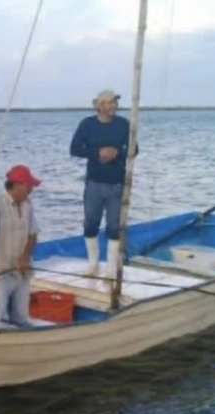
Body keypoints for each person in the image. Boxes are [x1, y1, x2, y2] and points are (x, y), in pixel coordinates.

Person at [69, 89, 138, 280]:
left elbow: (134, 150)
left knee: (114, 225)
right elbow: (74, 149)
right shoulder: (87, 124)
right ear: (99, 106)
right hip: (94, 183)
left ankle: (111, 266)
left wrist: (117, 153)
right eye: (109, 102)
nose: (113, 106)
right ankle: (93, 263)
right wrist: (98, 152)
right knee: (91, 222)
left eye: (115, 102)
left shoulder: (123, 124)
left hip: (116, 183)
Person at [0, 164, 41, 326]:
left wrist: (25, 257)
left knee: (21, 316)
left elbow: (33, 234)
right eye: (28, 186)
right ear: (17, 185)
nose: (31, 190)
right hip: (0, 271)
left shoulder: (28, 205)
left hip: (21, 271)